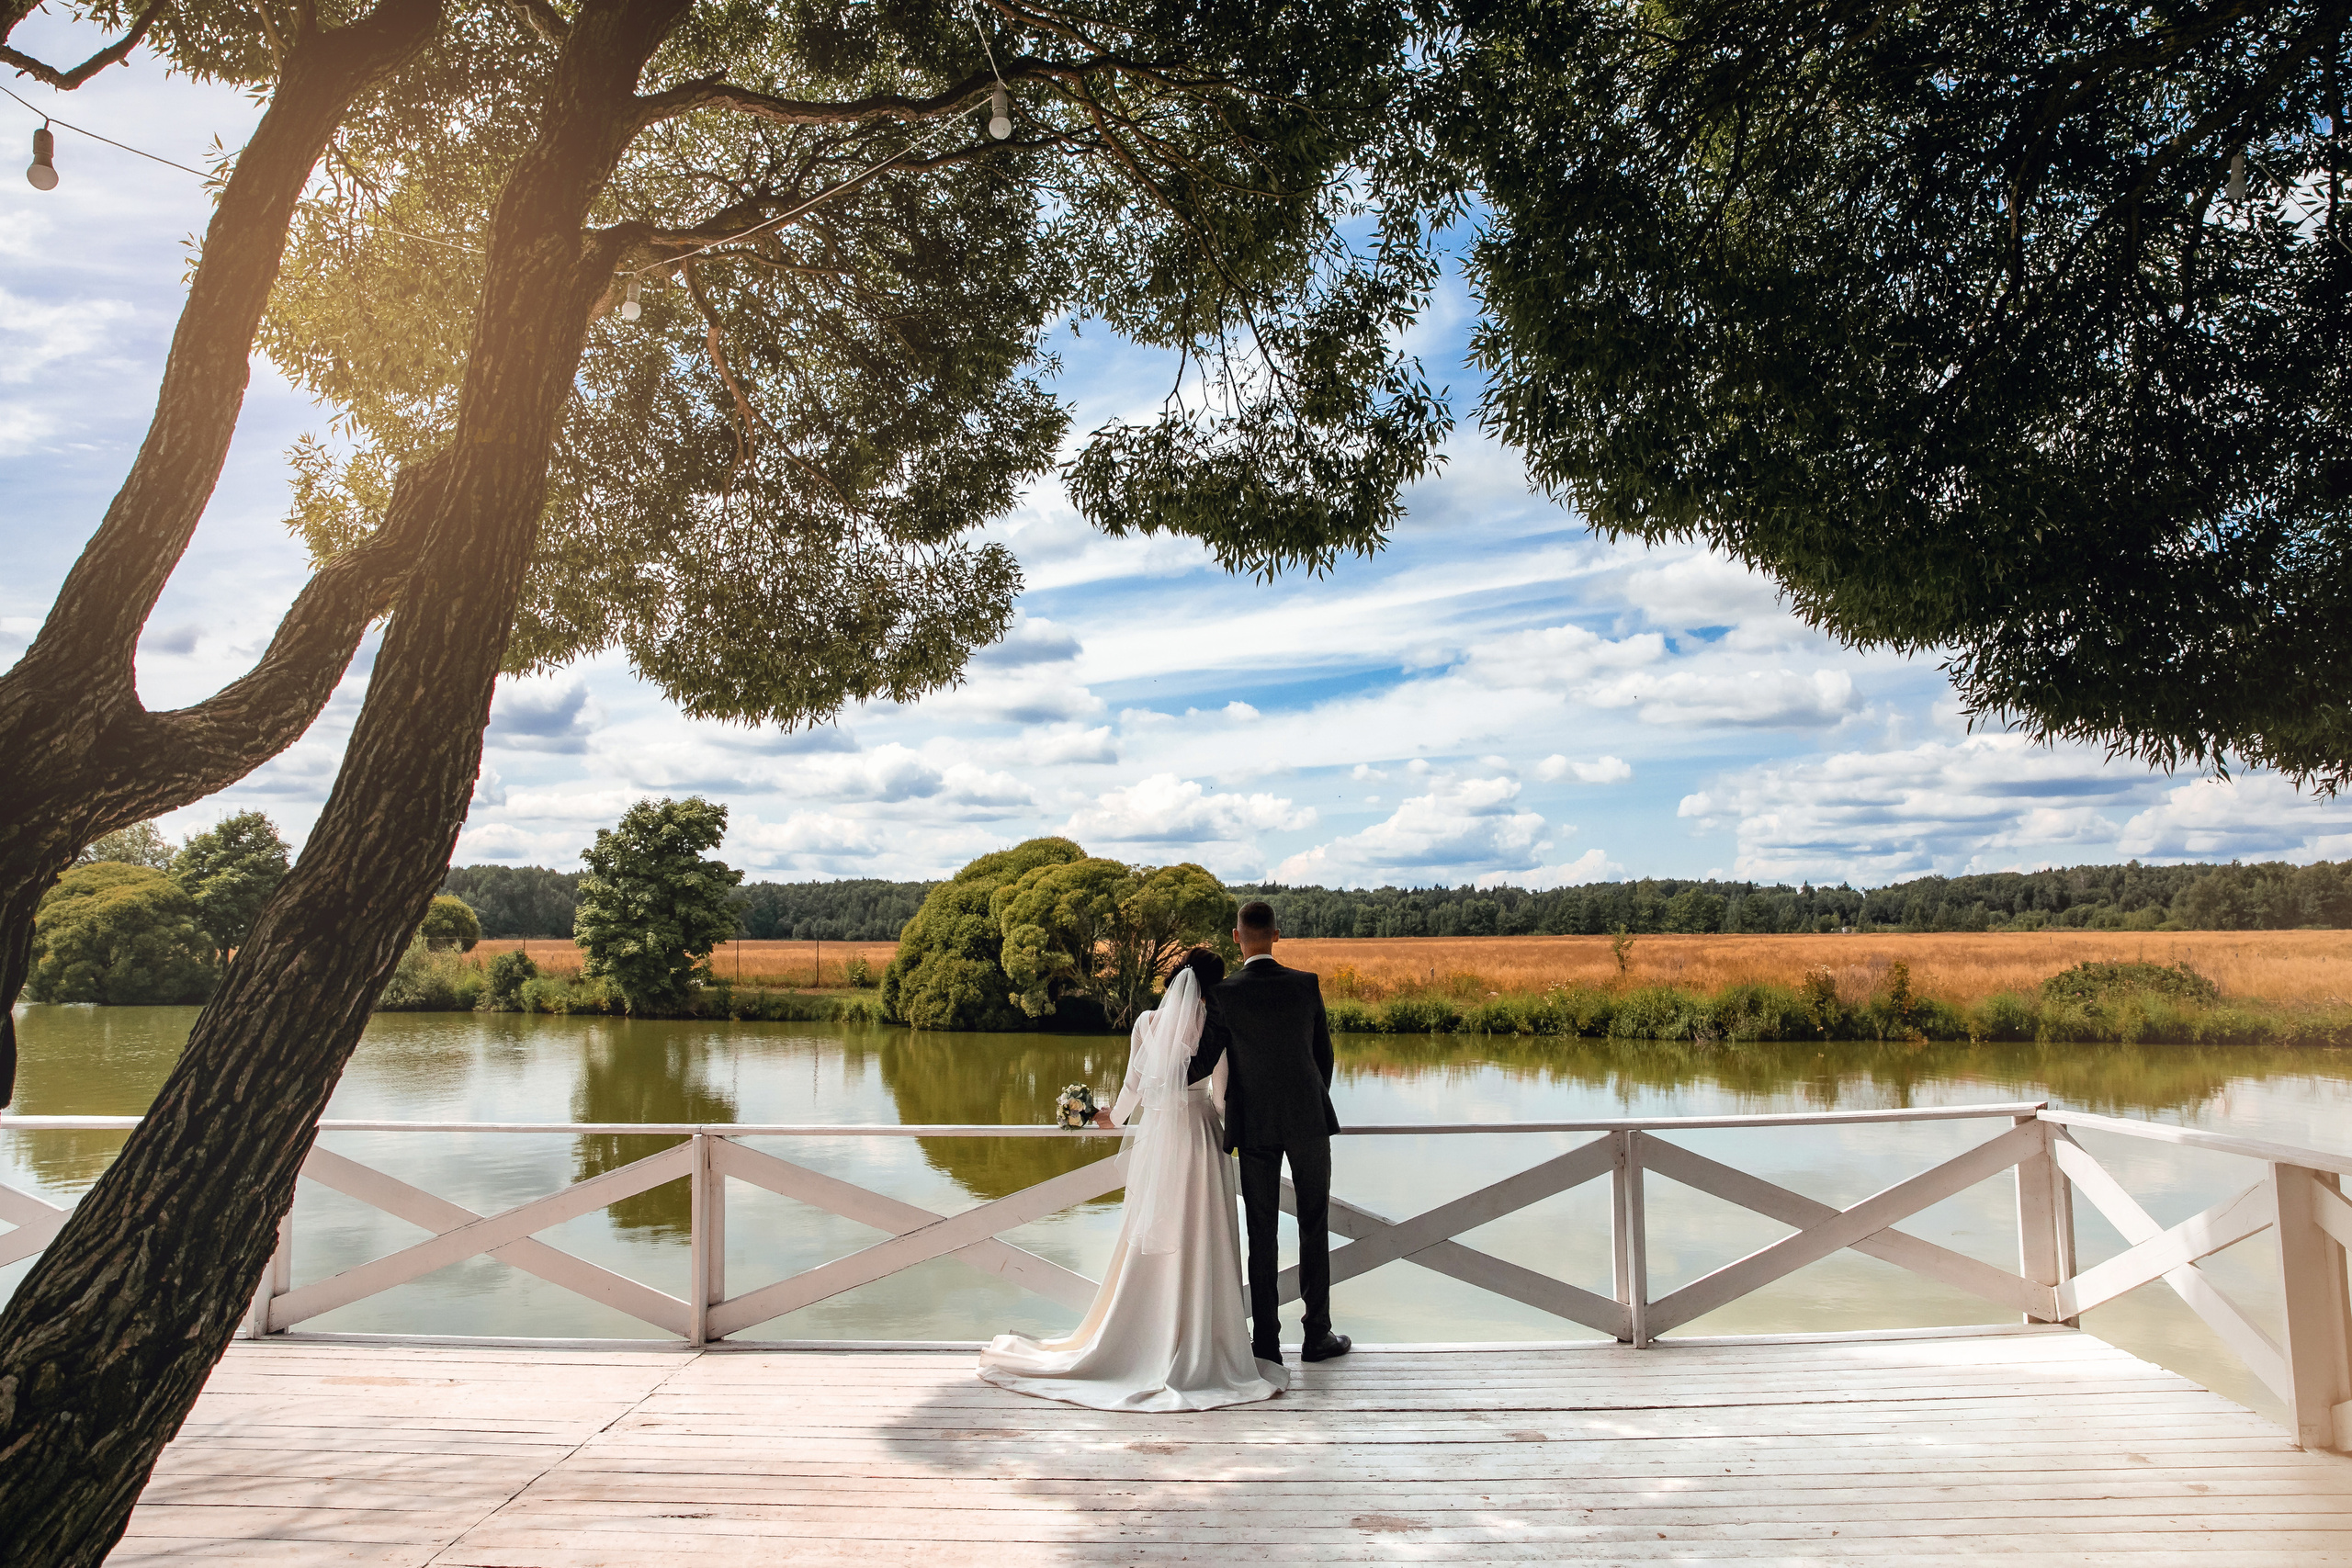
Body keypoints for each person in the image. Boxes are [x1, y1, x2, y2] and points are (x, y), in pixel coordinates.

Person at [976, 948, 1285, 1412]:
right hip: (1201, 1139)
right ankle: (1202, 1340)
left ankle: (1142, 1336)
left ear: (1177, 979)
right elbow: (1220, 1097)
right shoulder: (1217, 1025)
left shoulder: (1146, 1022)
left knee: (1152, 1228)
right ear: (1215, 985)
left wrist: (1102, 1116)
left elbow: (1131, 1090)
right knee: (1203, 1233)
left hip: (1161, 1138)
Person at [1185, 899, 1350, 1365]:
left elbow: (1201, 1063)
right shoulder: (1305, 986)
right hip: (1308, 1122)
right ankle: (1317, 1335)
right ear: (1277, 934)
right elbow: (1324, 1058)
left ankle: (1268, 1344)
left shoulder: (1224, 994)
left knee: (1262, 1234)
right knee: (1314, 1225)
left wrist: (1153, 1065)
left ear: (1237, 937)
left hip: (1253, 1125)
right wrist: (1307, 1104)